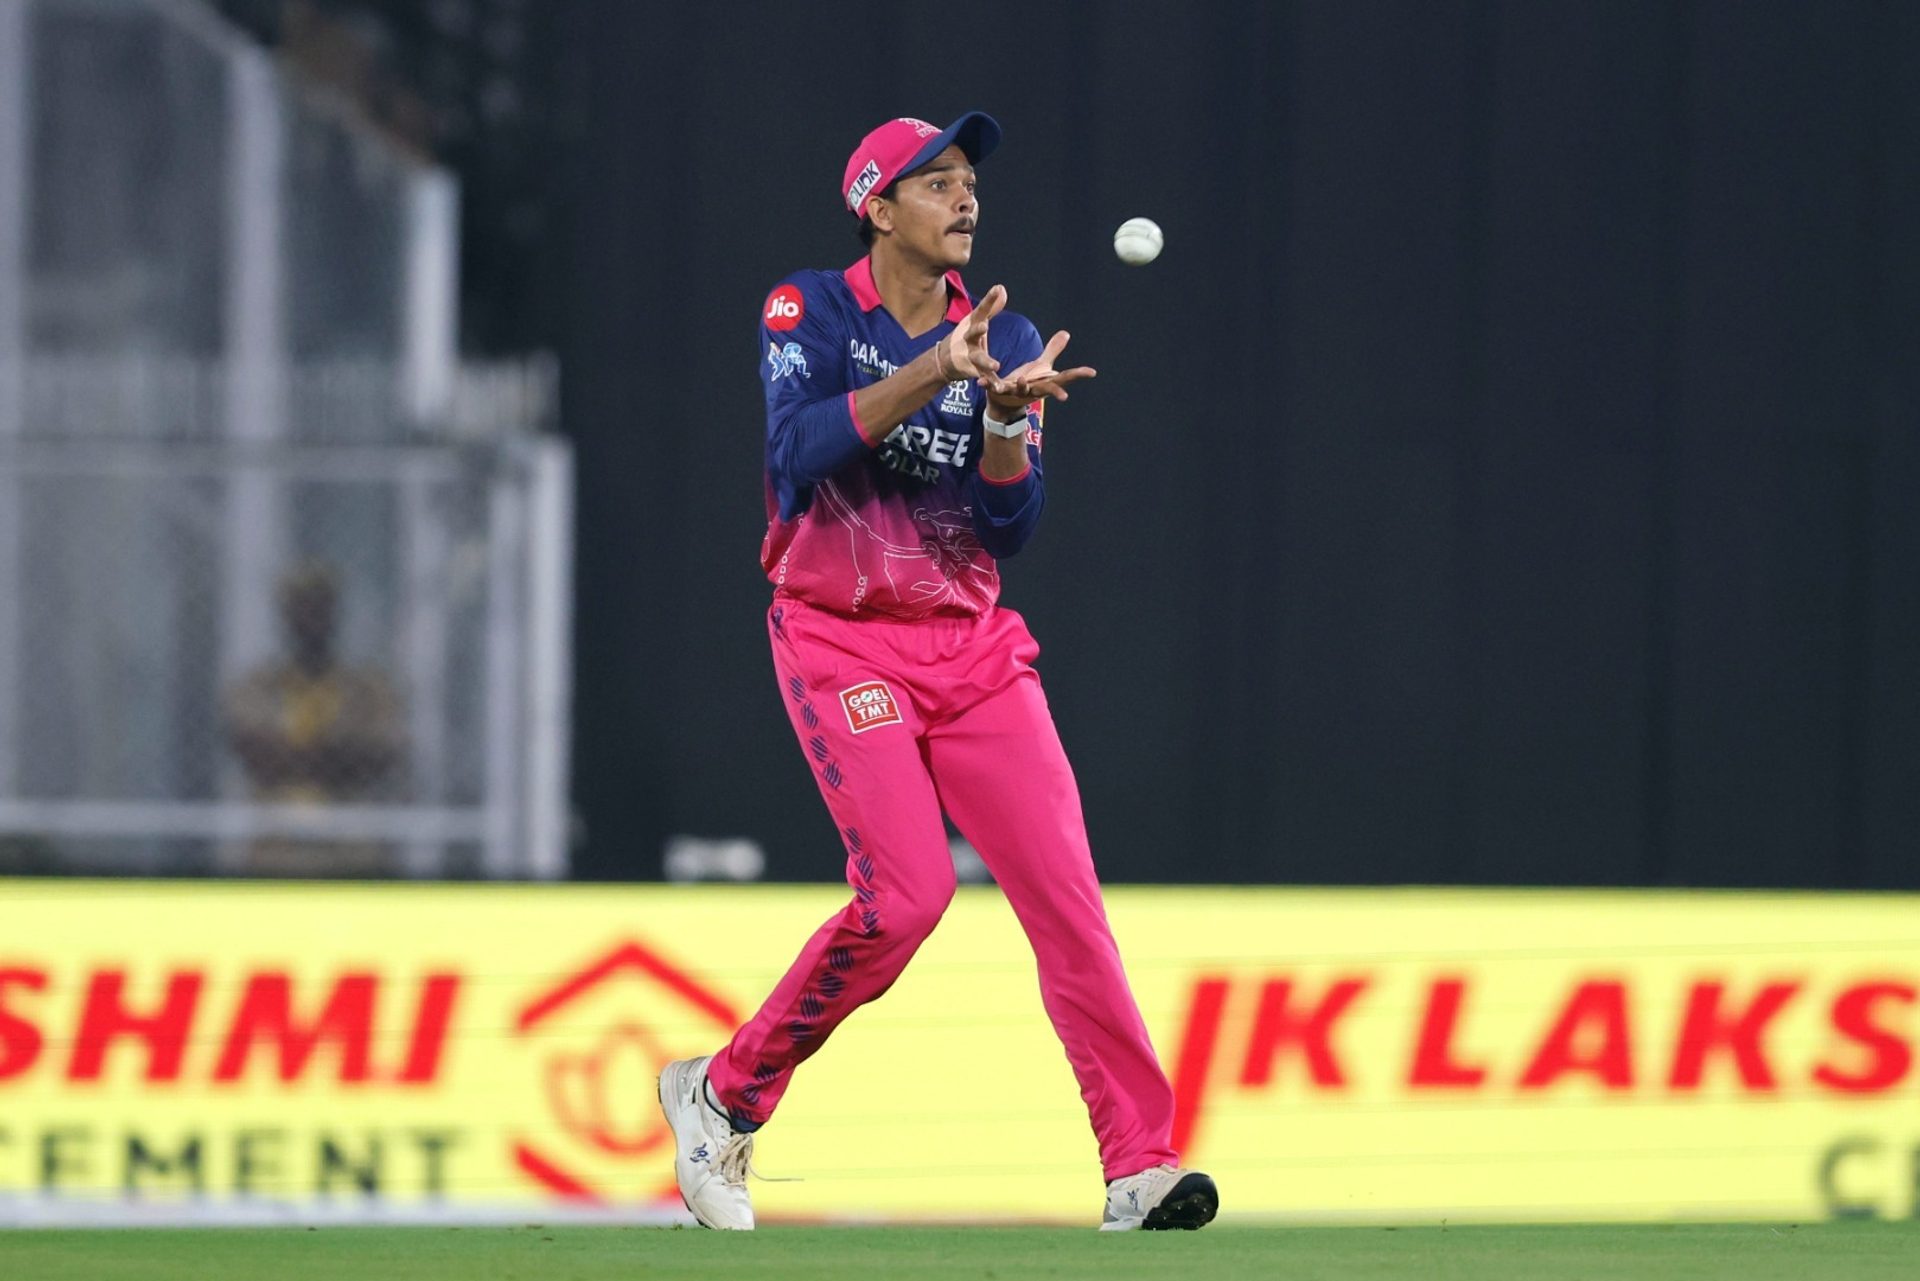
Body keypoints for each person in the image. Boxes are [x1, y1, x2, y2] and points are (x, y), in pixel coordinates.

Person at [657, 112, 1218, 1233]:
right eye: (938, 182)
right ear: (877, 207)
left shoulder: (1005, 338)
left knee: (1068, 904)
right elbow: (796, 452)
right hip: (841, 636)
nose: (966, 200)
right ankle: (723, 1094)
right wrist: (935, 372)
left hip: (972, 649)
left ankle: (1139, 1166)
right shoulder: (808, 308)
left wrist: (1004, 419)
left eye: (970, 182)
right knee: (907, 901)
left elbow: (1009, 528)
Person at [224, 562, 406, 875]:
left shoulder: (369, 691)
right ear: (285, 616)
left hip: (352, 853)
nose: (309, 620)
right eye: (300, 608)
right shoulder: (257, 688)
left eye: (319, 608)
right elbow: (255, 754)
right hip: (275, 852)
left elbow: (377, 758)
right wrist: (333, 755)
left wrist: (294, 753)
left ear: (334, 614)